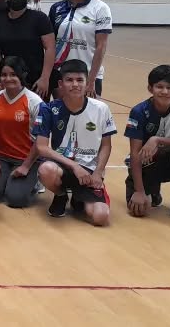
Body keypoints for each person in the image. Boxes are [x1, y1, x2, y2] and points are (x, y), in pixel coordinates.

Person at [34, 59, 115, 226]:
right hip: (63, 167)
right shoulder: (49, 109)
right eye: (69, 80)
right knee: (46, 169)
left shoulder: (101, 109)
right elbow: (41, 147)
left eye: (80, 80)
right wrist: (74, 166)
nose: (75, 85)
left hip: (90, 172)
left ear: (87, 83)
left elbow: (106, 145)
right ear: (60, 84)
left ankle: (79, 200)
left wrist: (98, 172)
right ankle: (61, 195)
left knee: (101, 218)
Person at [124, 64, 170, 224]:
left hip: (169, 162)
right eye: (159, 87)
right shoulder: (139, 111)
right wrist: (139, 191)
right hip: (146, 165)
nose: (164, 91)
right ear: (150, 88)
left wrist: (157, 139)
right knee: (140, 210)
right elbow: (135, 153)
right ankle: (150, 189)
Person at [0, 57, 44, 208]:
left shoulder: (34, 102)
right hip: (1, 158)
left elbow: (41, 139)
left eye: (13, 74)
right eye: (4, 75)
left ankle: (34, 181)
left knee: (15, 199)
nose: (8, 78)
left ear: (22, 75)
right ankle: (7, 181)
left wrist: (26, 165)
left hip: (26, 159)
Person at [49, 0, 112, 98]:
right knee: (62, 116)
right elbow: (50, 45)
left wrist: (91, 80)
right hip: (60, 73)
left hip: (88, 75)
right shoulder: (56, 8)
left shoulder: (100, 8)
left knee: (88, 117)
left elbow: (101, 46)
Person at [0, 0, 55, 99]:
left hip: (36, 79)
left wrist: (45, 78)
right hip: (9, 79)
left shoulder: (39, 18)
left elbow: (50, 48)